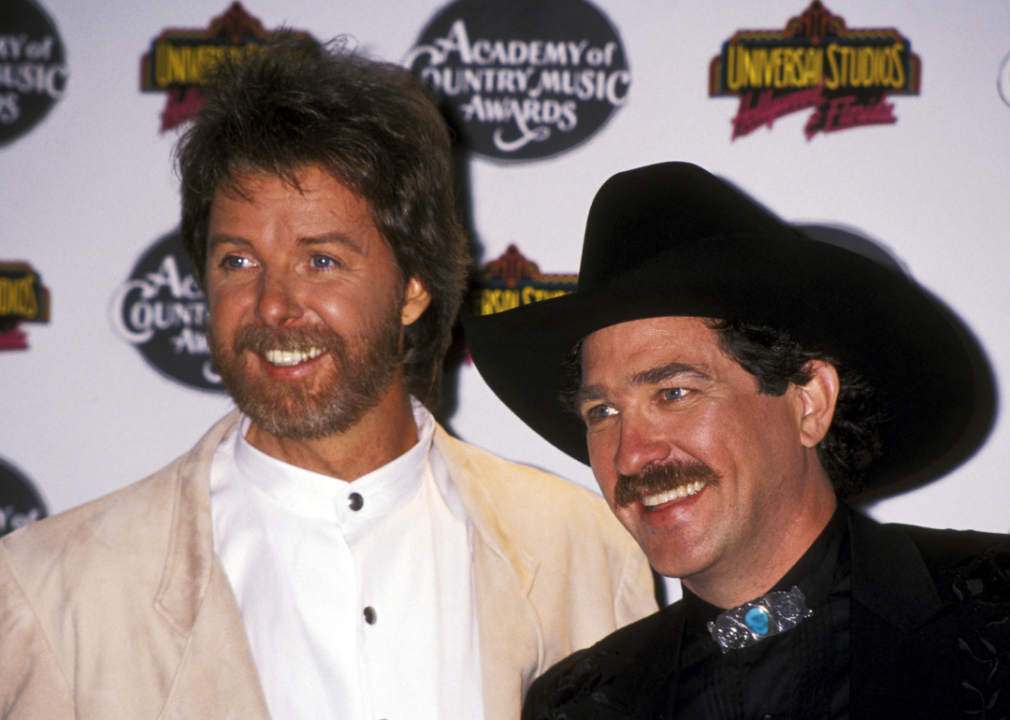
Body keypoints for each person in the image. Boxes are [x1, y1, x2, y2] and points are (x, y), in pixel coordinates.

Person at [0, 39, 656, 720]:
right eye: (237, 261)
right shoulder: (53, 592)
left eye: (320, 261)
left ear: (413, 288)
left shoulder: (583, 554)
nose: (274, 304)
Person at [464, 162, 1010, 719]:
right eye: (603, 411)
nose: (629, 455)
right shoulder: (578, 704)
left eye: (674, 393)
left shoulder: (996, 613)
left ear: (810, 401)